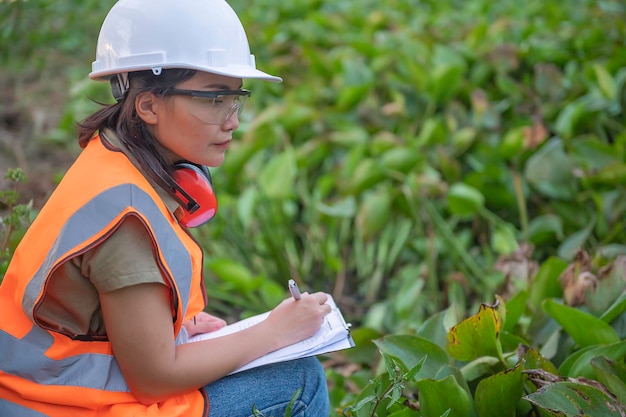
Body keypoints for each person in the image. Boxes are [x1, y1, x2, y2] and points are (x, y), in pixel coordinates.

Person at [0, 0, 332, 416]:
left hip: (31, 395)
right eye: (213, 99)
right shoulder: (127, 217)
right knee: (300, 380)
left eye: (235, 98)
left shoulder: (111, 161)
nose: (232, 120)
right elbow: (154, 378)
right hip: (63, 407)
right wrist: (275, 332)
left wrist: (171, 326)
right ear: (149, 106)